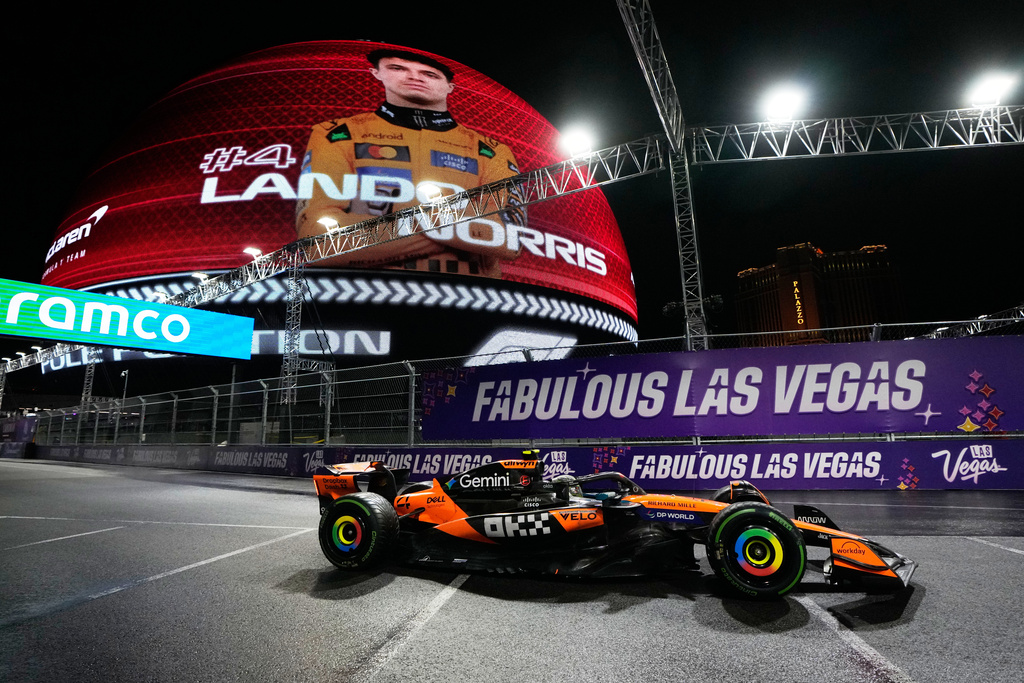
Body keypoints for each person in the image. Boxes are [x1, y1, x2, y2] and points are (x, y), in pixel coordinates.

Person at [295, 48, 524, 278]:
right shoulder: (337, 134)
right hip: (364, 300)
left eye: (430, 74)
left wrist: (384, 227)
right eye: (398, 68)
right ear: (376, 72)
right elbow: (317, 243)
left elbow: (510, 238)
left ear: (450, 87)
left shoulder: (491, 151)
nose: (415, 77)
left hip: (472, 303)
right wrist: (444, 228)